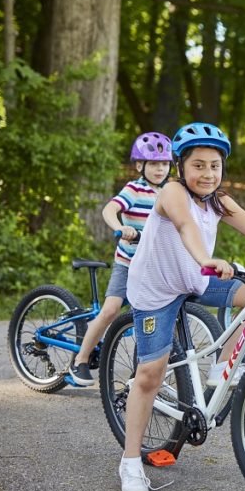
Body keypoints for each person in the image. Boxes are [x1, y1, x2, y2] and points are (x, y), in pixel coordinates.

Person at [118, 122, 245, 491]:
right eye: (198, 165)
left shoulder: (218, 200)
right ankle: (130, 461)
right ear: (181, 167)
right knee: (150, 374)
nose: (208, 173)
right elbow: (184, 226)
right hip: (157, 289)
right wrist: (206, 258)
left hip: (196, 279)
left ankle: (223, 368)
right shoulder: (172, 194)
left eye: (215, 165)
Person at [68, 133, 173, 387]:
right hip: (128, 262)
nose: (160, 169)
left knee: (150, 317)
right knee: (111, 310)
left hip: (153, 267)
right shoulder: (134, 189)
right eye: (154, 164)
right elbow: (109, 209)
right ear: (140, 166)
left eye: (165, 164)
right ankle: (80, 360)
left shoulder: (169, 193)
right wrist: (120, 227)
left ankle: (145, 371)